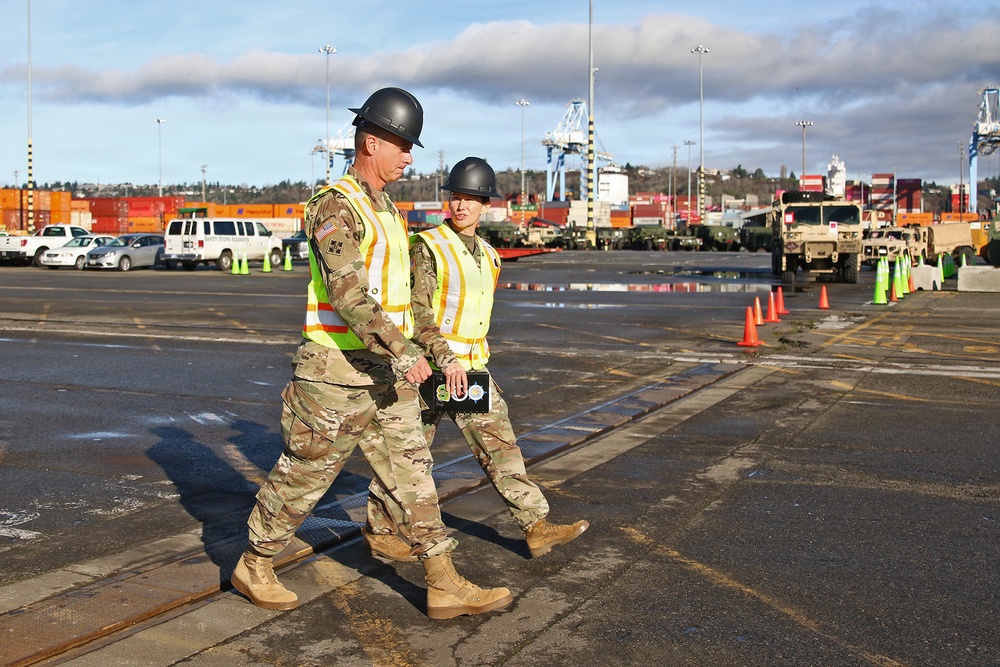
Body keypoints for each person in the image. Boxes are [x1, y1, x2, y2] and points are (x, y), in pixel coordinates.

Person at [231, 90, 512, 620]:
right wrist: (404, 354)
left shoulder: (389, 211)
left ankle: (443, 580)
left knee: (414, 476)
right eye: (403, 145)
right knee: (304, 477)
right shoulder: (334, 205)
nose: (410, 157)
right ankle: (255, 561)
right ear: (372, 141)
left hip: (387, 374)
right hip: (335, 376)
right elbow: (348, 294)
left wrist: (438, 352)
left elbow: (409, 302)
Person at [363, 157, 589, 562]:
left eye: (471, 198)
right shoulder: (428, 247)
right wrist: (444, 357)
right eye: (456, 197)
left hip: (469, 371)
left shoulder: (489, 255)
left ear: (486, 205)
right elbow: (419, 314)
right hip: (431, 371)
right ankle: (381, 530)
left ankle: (535, 525)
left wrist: (464, 361)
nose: (461, 205)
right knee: (409, 456)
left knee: (499, 444)